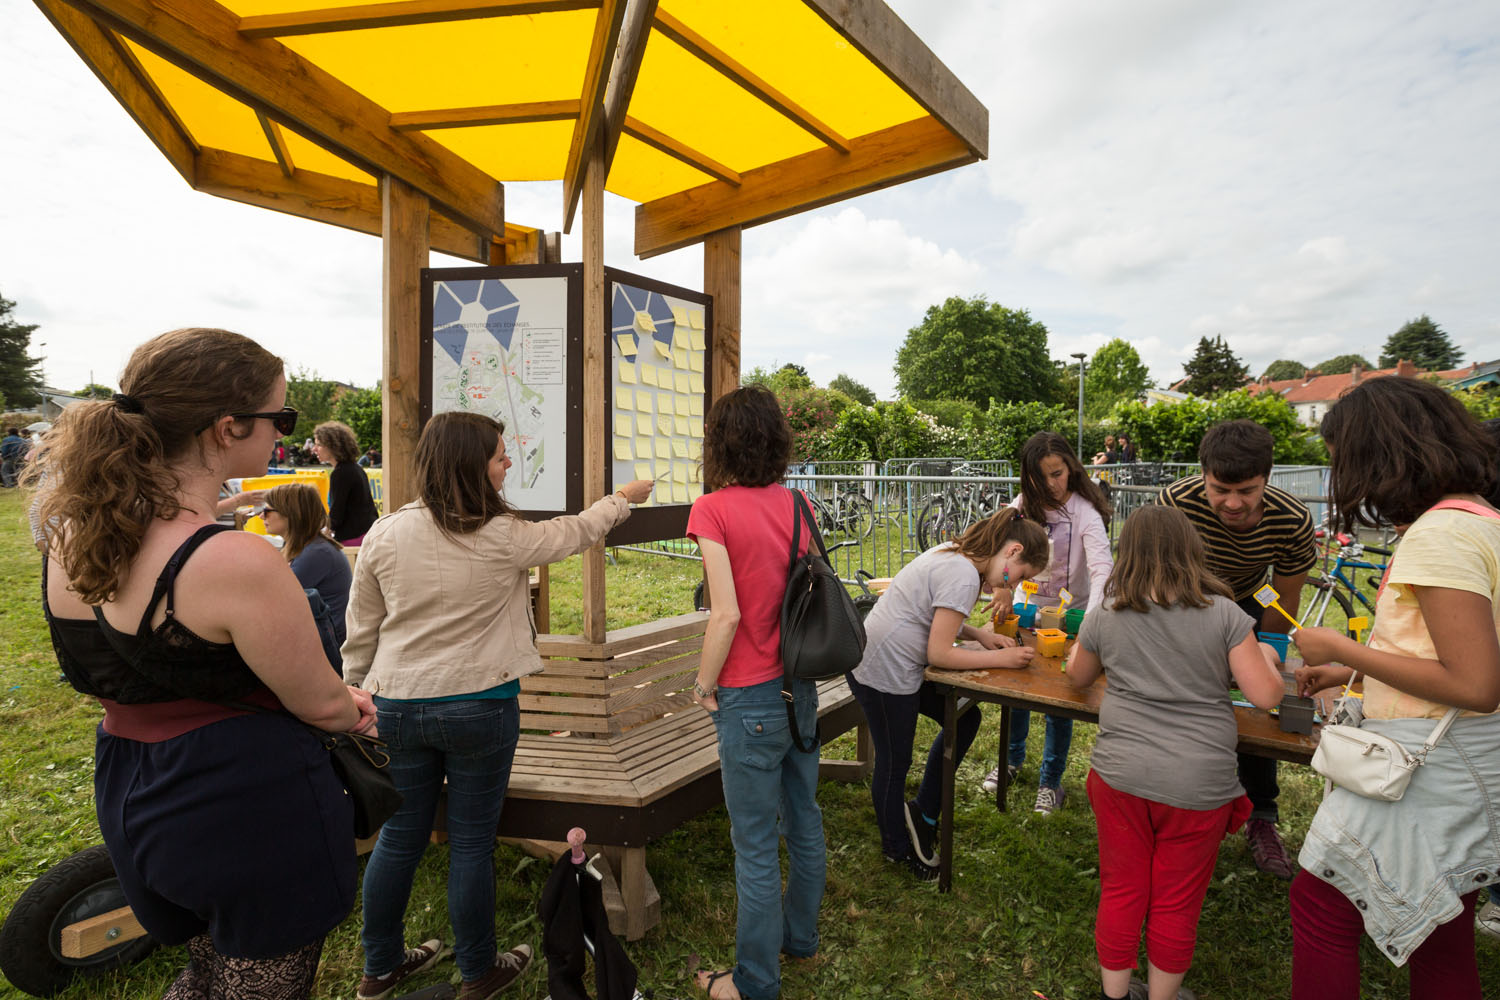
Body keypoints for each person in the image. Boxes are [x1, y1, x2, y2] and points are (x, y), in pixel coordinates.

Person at [32, 327, 376, 999]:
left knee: (206, 967)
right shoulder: (232, 560)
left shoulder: (75, 532)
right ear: (227, 428)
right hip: (242, 800)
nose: (285, 434)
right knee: (260, 983)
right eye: (281, 417)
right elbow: (322, 703)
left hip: (132, 780)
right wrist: (354, 706)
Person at [343, 410, 651, 1000]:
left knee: (400, 838)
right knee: (470, 843)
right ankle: (478, 970)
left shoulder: (384, 533)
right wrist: (621, 498)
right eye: (499, 454)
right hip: (481, 707)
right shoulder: (503, 536)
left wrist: (353, 692)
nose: (508, 461)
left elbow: (363, 628)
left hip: (399, 706)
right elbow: (579, 530)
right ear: (469, 463)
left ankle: (379, 969)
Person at [1288, 375, 1500, 999]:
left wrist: (1342, 646)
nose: (1338, 477)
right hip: (1463, 755)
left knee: (1322, 903)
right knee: (1443, 922)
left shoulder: (1439, 535)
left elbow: (1475, 681)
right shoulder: (1482, 520)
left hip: (1424, 768)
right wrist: (1356, 669)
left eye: (1340, 461)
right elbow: (1453, 648)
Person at [1066, 505, 1285, 1000]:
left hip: (1120, 776)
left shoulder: (1106, 611)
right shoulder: (1226, 614)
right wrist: (1268, 655)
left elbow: (1077, 677)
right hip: (1197, 785)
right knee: (1176, 901)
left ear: (1128, 553)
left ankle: (1114, 994)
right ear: (1192, 550)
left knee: (1122, 888)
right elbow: (1267, 696)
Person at [684, 386, 835, 1000]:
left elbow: (726, 615)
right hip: (799, 688)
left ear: (719, 442)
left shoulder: (711, 510)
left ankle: (753, 982)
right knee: (804, 821)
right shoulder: (801, 505)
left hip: (746, 698)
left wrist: (702, 684)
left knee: (753, 846)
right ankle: (800, 939)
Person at [1155, 419, 1315, 878]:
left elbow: (1283, 597)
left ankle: (1261, 816)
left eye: (1247, 490)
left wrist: (1268, 649)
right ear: (1203, 475)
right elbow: (1159, 574)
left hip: (1248, 602)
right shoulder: (1176, 503)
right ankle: (1172, 801)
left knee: (1255, 706)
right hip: (1185, 597)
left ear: (1267, 478)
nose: (1232, 502)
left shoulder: (1293, 519)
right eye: (1220, 488)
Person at [850, 507, 1047, 879]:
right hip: (883, 673)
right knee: (894, 763)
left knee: (965, 716)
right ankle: (897, 848)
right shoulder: (962, 576)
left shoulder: (957, 555)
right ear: (1013, 552)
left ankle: (923, 812)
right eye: (1021, 577)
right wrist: (1003, 658)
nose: (1014, 585)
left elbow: (933, 614)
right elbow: (938, 654)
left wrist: (980, 635)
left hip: (888, 664)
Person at [986, 431, 1114, 814]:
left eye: (1057, 474)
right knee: (1018, 692)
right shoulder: (1024, 505)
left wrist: (1091, 625)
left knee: (1060, 701)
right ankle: (1011, 760)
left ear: (1071, 468)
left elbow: (1102, 568)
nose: (1051, 485)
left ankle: (1050, 781)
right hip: (1025, 613)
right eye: (1041, 478)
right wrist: (1002, 585)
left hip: (1073, 618)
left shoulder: (1084, 511)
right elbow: (999, 547)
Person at [262, 482, 352, 645]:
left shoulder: (316, 553)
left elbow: (273, 600)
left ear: (290, 513)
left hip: (328, 649)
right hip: (319, 639)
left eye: (267, 511)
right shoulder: (310, 547)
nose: (261, 516)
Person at [313, 420, 378, 544]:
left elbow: (336, 516)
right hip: (367, 534)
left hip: (352, 538)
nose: (314, 449)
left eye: (319, 445)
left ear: (333, 446)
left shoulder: (341, 473)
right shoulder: (355, 468)